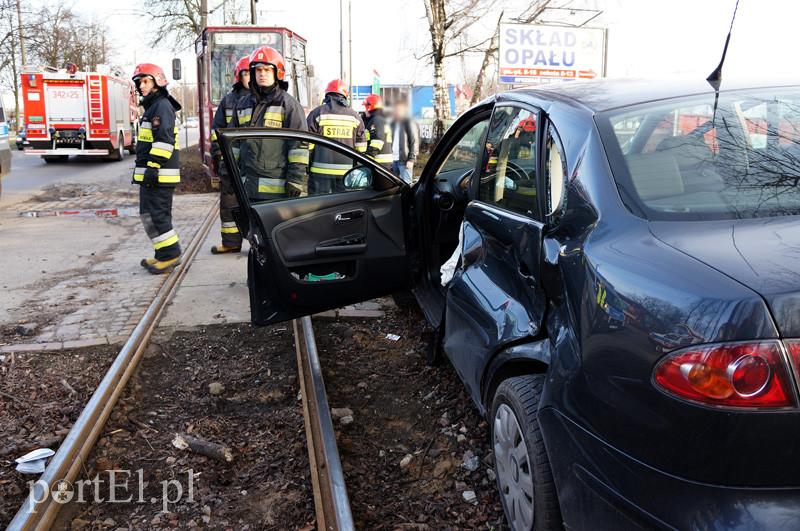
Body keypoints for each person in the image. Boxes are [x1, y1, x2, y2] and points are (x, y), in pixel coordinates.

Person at [230, 46, 308, 201]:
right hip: (247, 187)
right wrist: (228, 172)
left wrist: (296, 180)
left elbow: (299, 146)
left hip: (277, 191)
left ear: (277, 72)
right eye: (258, 70)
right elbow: (234, 144)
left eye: (267, 70)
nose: (262, 74)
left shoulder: (289, 105)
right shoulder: (242, 104)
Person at [131, 63, 182, 275]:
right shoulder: (152, 107)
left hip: (159, 174)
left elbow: (164, 140)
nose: (141, 86)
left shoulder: (161, 106)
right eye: (139, 82)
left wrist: (153, 166)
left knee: (157, 215)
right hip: (152, 174)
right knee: (150, 214)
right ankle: (163, 253)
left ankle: (170, 254)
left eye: (145, 81)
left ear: (157, 82)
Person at [210, 55, 250, 255]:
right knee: (228, 205)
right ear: (238, 76)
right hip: (231, 162)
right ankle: (231, 242)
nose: (249, 77)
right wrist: (219, 155)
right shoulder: (228, 101)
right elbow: (217, 131)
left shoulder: (261, 100)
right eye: (245, 73)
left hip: (253, 163)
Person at [306, 79, 366, 194]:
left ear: (327, 95)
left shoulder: (317, 113)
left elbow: (307, 144)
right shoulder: (355, 116)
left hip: (320, 173)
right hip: (347, 173)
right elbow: (361, 148)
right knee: (342, 206)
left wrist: (307, 165)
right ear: (345, 96)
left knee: (319, 208)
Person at [390, 99, 419, 183]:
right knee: (395, 186)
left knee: (406, 185)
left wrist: (411, 160)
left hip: (404, 160)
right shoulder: (393, 123)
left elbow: (414, 141)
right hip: (393, 160)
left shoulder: (409, 122)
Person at [362, 94, 393, 171]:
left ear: (369, 107)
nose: (364, 110)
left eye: (365, 107)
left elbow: (377, 140)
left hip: (379, 162)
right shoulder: (381, 118)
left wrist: (368, 158)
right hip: (382, 162)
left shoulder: (377, 120)